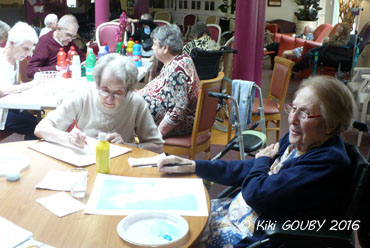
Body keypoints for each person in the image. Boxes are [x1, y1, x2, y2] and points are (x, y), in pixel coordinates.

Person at [157, 75, 355, 247]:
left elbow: (256, 193)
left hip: (256, 236)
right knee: (174, 214)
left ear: (330, 124)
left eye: (304, 113)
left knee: (179, 238)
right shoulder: (300, 142)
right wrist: (195, 166)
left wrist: (262, 161)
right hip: (236, 214)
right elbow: (250, 168)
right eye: (292, 108)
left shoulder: (326, 163)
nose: (292, 119)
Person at [34, 53, 164, 153]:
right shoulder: (82, 96)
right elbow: (41, 129)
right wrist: (68, 138)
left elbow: (157, 146)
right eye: (104, 90)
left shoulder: (135, 102)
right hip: (85, 160)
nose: (110, 99)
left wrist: (128, 145)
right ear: (97, 84)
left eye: (118, 93)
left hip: (122, 164)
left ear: (128, 91)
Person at [138, 24, 200, 138]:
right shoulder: (181, 59)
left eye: (155, 44)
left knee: (121, 114)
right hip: (181, 119)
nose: (152, 47)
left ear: (165, 48)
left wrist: (158, 134)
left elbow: (178, 108)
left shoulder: (176, 70)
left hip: (181, 125)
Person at [0, 22, 40, 140]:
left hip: (8, 109)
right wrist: (31, 85)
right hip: (2, 112)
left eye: (30, 49)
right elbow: (2, 90)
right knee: (36, 127)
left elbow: (16, 86)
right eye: (25, 49)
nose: (28, 54)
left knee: (40, 123)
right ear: (12, 43)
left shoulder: (16, 59)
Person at [26, 14, 85, 78]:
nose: (70, 39)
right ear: (58, 29)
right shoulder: (45, 42)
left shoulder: (68, 41)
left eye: (73, 36)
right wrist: (56, 68)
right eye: (68, 35)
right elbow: (30, 70)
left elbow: (82, 58)